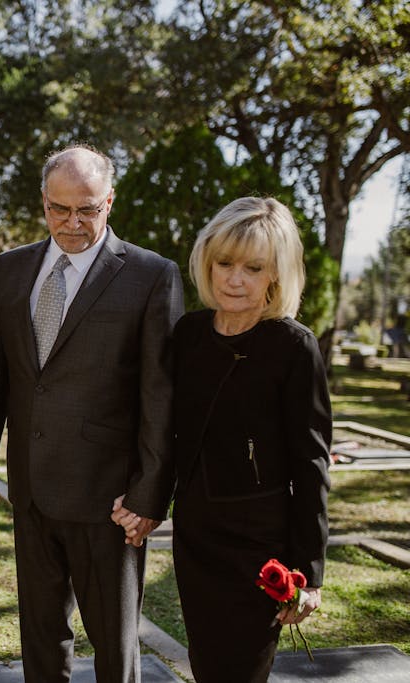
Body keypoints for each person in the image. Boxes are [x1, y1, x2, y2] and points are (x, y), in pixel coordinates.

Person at [0, 144, 184, 682]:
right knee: (40, 633)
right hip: (31, 489)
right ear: (43, 202)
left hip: (110, 500)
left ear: (109, 202)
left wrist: (150, 493)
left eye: (87, 209)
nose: (72, 222)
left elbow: (163, 395)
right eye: (60, 209)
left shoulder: (152, 275)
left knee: (114, 642)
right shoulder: (10, 270)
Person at [171, 197, 331, 682]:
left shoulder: (293, 347)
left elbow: (311, 465)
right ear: (207, 261)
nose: (234, 279)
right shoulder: (188, 334)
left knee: (241, 671)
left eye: (253, 267)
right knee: (206, 665)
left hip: (259, 546)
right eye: (224, 263)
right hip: (195, 536)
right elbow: (166, 431)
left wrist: (309, 573)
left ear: (275, 276)